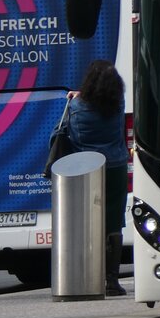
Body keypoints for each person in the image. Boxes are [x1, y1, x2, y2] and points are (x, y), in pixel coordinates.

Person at [66, 60, 129, 297]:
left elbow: (70, 132)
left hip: (86, 168)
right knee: (114, 221)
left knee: (88, 222)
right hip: (115, 167)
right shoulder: (118, 104)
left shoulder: (77, 106)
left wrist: (77, 95)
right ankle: (112, 280)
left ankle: (87, 277)